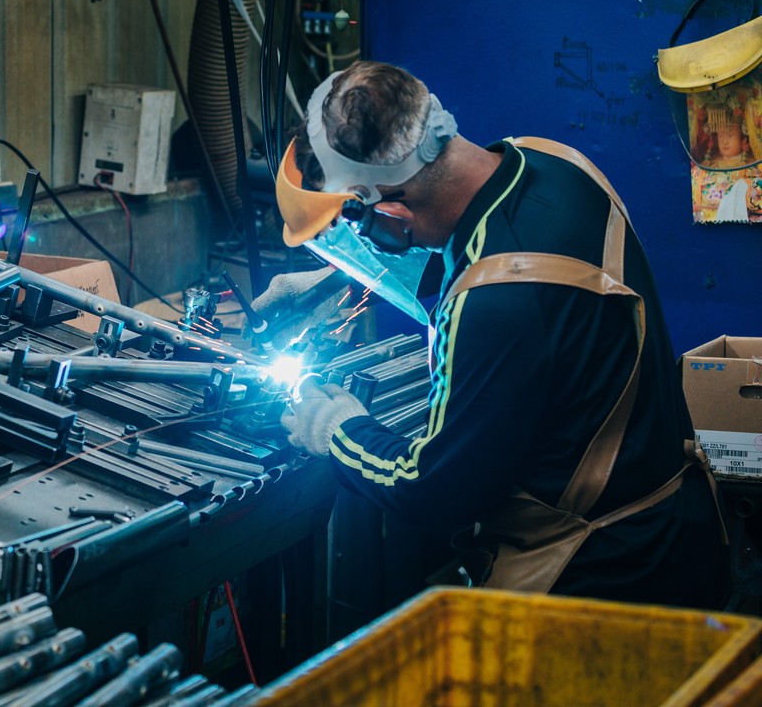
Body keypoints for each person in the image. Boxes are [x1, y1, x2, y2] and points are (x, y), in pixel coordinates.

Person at [256, 60, 730, 609]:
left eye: (358, 225)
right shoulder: (550, 162)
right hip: (678, 532)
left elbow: (432, 488)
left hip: (602, 584)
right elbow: (510, 260)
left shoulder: (493, 305)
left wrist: (334, 428)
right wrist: (343, 268)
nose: (361, 237)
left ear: (388, 204)